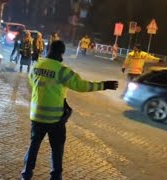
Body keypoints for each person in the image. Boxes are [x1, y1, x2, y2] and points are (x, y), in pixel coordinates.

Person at [21, 40, 119, 180]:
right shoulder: (62, 70)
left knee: (34, 145)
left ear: (49, 49)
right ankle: (56, 176)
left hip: (36, 115)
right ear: (62, 53)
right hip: (55, 119)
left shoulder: (37, 65)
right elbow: (81, 86)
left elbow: (33, 83)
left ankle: (26, 174)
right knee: (57, 148)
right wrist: (103, 85)